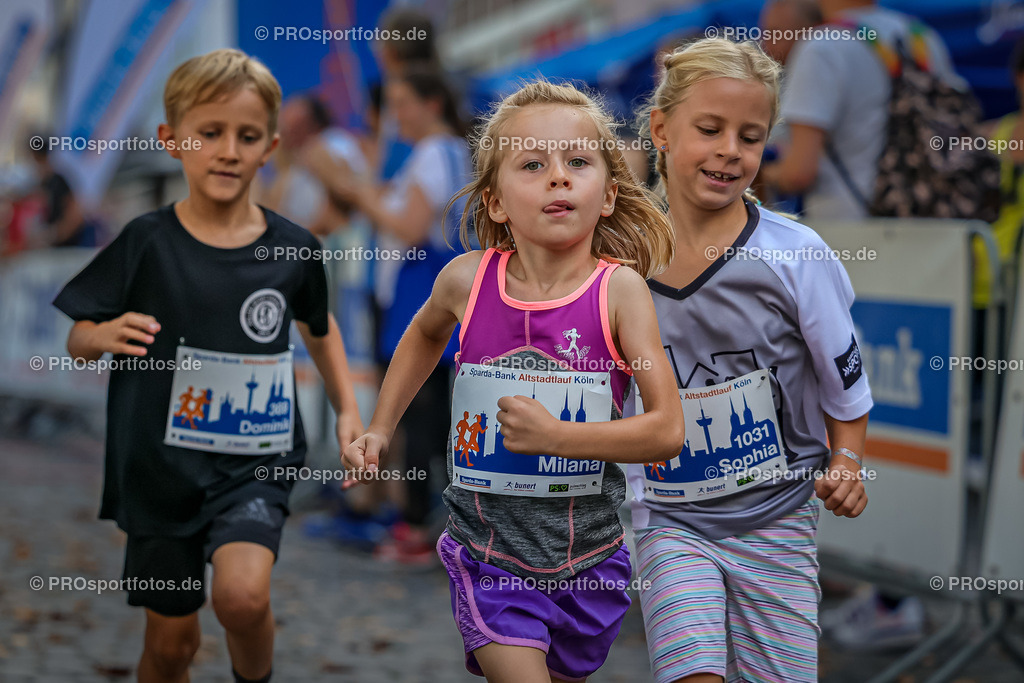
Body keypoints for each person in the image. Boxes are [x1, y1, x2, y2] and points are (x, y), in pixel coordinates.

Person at [343, 80, 685, 682]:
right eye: (533, 164)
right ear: (496, 202)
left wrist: (558, 438)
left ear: (607, 194)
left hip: (591, 557)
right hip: (488, 556)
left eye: (577, 163)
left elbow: (666, 431)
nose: (558, 177)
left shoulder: (620, 293)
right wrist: (380, 425)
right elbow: (424, 335)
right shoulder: (466, 281)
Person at [52, 49, 363, 683]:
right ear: (171, 140)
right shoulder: (144, 242)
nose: (227, 150)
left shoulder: (294, 248)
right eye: (208, 133)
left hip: (256, 459)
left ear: (270, 146)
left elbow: (319, 329)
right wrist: (101, 334)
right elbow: (77, 337)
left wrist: (349, 412)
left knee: (242, 597)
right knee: (170, 647)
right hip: (158, 470)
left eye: (246, 136)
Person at [633, 37, 873, 682]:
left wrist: (847, 460)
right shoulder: (617, 256)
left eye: (750, 135)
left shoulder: (797, 254)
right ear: (660, 127)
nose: (729, 151)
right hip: (667, 514)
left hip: (778, 517)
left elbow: (846, 388)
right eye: (708, 129)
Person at [308, 68, 472, 564]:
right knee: (425, 410)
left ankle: (419, 525)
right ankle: (420, 520)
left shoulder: (435, 152)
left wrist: (357, 192)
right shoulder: (440, 152)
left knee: (422, 412)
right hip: (416, 290)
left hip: (422, 290)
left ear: (432, 102)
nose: (394, 116)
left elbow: (411, 224)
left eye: (403, 104)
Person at [759, 0, 965, 223]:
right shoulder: (920, 35)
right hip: (929, 223)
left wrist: (760, 176)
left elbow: (799, 173)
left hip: (850, 227)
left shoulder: (822, 46)